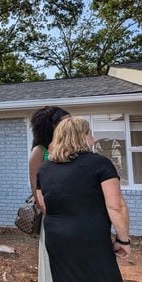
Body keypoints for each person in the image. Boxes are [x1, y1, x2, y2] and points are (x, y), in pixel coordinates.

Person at [36, 117, 131, 281]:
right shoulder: (100, 163)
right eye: (90, 134)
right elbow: (116, 206)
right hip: (90, 237)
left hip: (56, 237)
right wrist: (123, 240)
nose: (93, 139)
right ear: (83, 136)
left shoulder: (44, 168)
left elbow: (43, 203)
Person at [29, 106, 69, 281]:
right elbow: (36, 191)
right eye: (66, 121)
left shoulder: (70, 148)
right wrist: (53, 215)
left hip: (74, 214)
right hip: (53, 215)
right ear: (52, 126)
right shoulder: (39, 152)